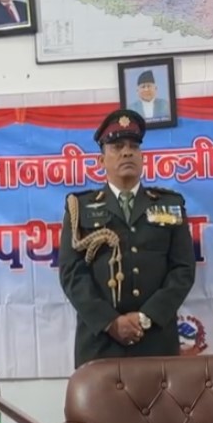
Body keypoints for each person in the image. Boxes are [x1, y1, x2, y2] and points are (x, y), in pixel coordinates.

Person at [58, 108, 196, 368]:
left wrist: (146, 317)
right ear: (101, 160)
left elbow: (183, 269)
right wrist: (111, 322)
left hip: (156, 340)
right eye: (117, 147)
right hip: (99, 343)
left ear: (142, 157)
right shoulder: (79, 207)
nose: (127, 152)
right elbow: (71, 273)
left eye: (134, 146)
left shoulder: (169, 204)